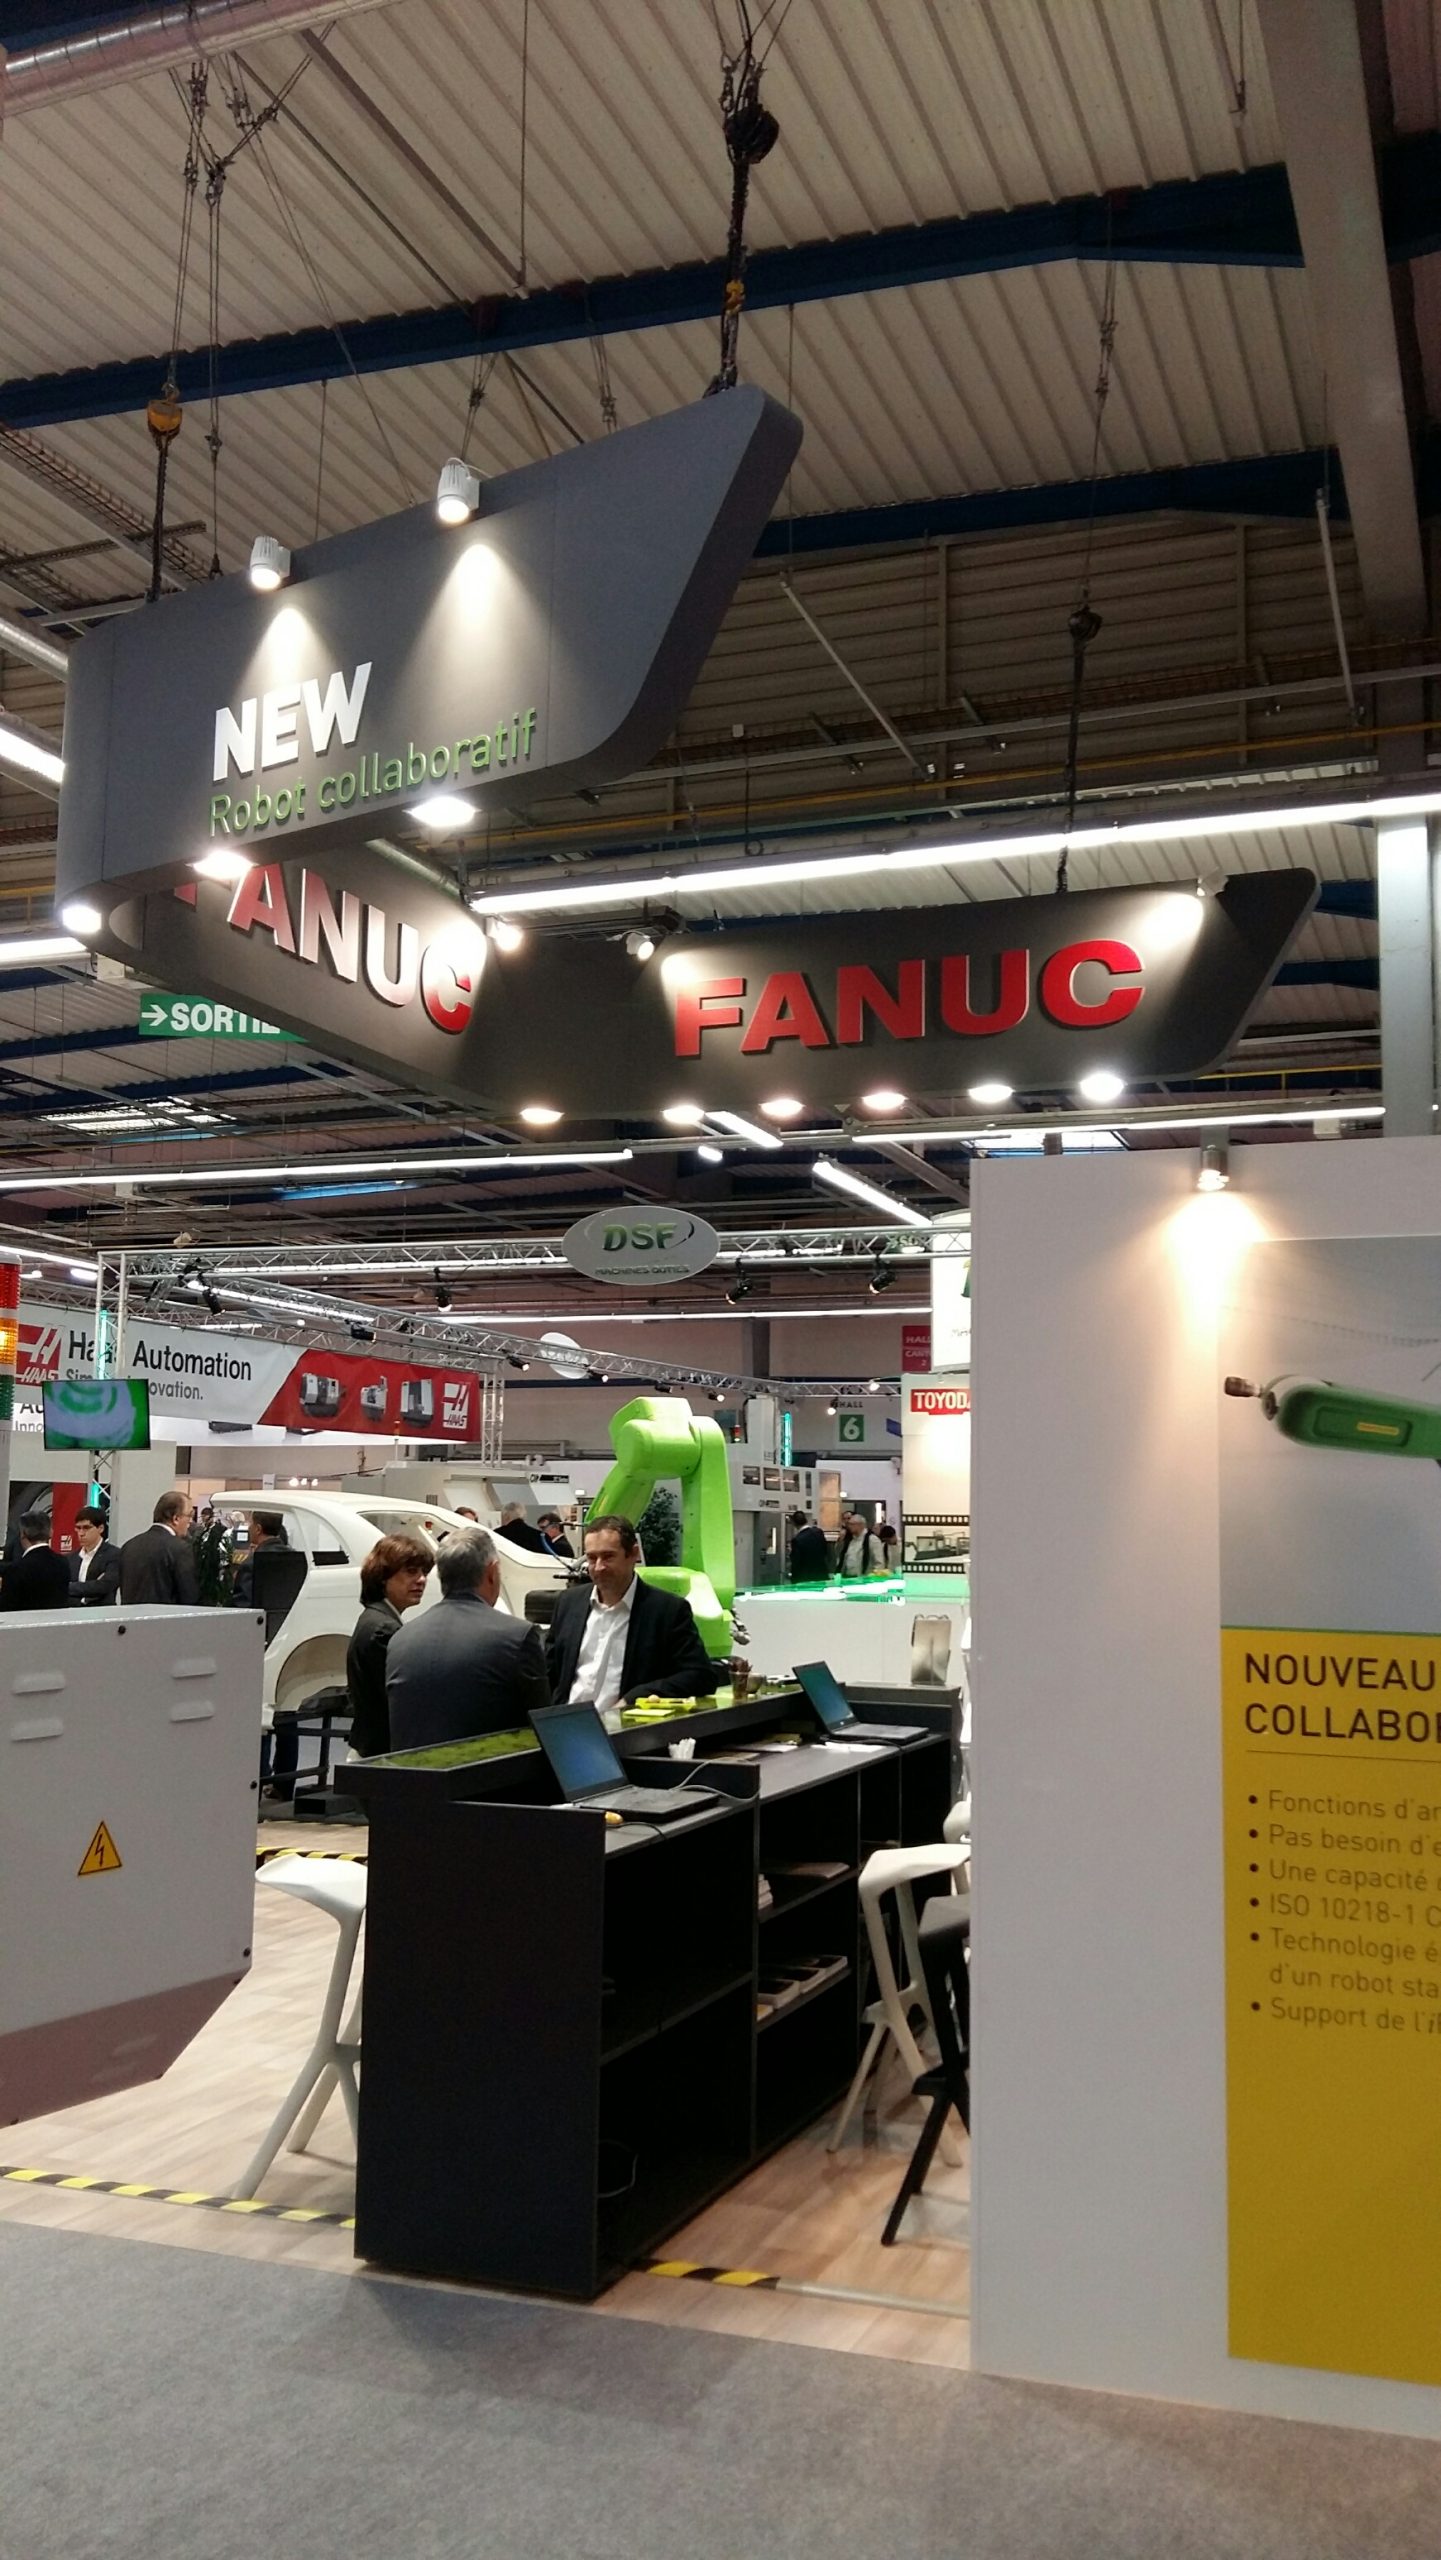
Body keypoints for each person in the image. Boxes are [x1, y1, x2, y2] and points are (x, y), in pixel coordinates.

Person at [385, 1526, 549, 1749]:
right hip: (492, 1768)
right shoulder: (518, 1637)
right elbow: (542, 1727)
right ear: (492, 1572)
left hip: (410, 1769)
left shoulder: (400, 1639)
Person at [545, 1513, 718, 1714]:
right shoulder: (568, 1604)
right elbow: (548, 1673)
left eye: (608, 1557)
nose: (599, 1567)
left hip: (626, 1727)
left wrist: (635, 1697)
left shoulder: (666, 1611)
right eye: (592, 1558)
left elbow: (700, 1676)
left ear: (633, 1554)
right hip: (567, 1724)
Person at [346, 1534, 431, 1760]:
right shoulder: (383, 1628)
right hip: (382, 1754)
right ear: (383, 1576)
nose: (421, 1579)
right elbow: (399, 1700)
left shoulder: (376, 1619)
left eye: (424, 1572)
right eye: (411, 1571)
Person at [119, 1490, 199, 1604]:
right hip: (167, 1614)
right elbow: (188, 1596)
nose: (190, 1521)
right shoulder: (180, 1549)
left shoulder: (129, 1546)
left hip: (131, 1614)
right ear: (176, 1519)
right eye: (189, 1515)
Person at [0, 1509, 71, 1611]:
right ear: (50, 1532)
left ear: (22, 1534)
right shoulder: (63, 1563)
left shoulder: (16, 1570)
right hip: (57, 1621)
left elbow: (6, 1609)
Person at [229, 1510, 288, 1609]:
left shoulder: (251, 1564)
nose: (248, 1527)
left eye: (250, 1523)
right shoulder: (294, 1558)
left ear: (258, 1529)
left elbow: (242, 1605)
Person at [68, 1505, 121, 1607]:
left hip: (101, 1612)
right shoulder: (71, 1558)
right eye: (78, 1528)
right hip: (73, 1611)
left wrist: (71, 1587)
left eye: (86, 1528)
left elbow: (105, 1586)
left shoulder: (113, 1554)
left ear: (100, 1528)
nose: (81, 1533)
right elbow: (61, 1588)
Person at [788, 1509, 834, 1582]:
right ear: (806, 1520)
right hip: (821, 1574)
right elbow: (826, 1551)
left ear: (794, 1523)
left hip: (805, 1577)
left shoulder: (797, 1540)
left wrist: (793, 1578)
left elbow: (796, 1562)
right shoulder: (819, 1532)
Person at [837, 1510, 885, 1578]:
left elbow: (879, 1562)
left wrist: (873, 1577)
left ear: (861, 1525)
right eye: (849, 1524)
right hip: (848, 1577)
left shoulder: (872, 1540)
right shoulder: (850, 1540)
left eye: (852, 1524)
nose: (849, 1526)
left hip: (865, 1578)